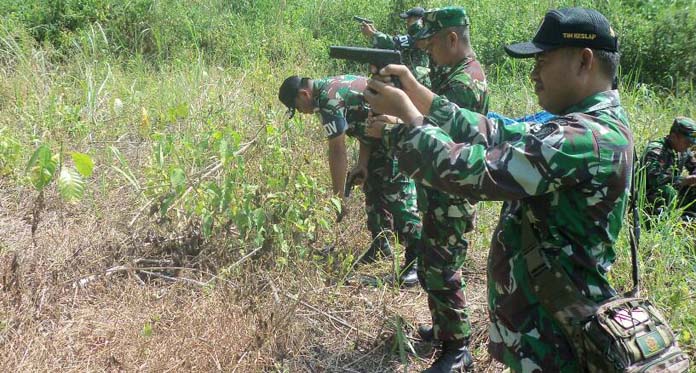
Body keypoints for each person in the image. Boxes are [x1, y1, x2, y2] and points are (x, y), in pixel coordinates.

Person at [364, 7, 630, 372]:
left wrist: (407, 121)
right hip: (547, 327)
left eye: (543, 60)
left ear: (584, 61)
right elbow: (494, 131)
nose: (534, 73)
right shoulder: (587, 125)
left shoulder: (585, 139)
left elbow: (468, 170)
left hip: (559, 338)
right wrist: (412, 87)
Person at [370, 7, 488, 372]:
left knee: (443, 267)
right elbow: (430, 119)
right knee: (431, 264)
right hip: (439, 186)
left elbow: (445, 142)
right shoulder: (451, 73)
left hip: (452, 190)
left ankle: (458, 348)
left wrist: (396, 124)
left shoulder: (464, 83)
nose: (428, 51)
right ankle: (443, 328)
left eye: (433, 44)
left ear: (453, 39)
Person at [277, 75, 422, 286]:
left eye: (297, 107)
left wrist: (339, 199)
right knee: (371, 183)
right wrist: (362, 163)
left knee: (399, 198)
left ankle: (418, 262)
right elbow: (366, 123)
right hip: (380, 136)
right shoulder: (331, 89)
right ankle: (380, 245)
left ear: (303, 94)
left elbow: (337, 150)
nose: (301, 112)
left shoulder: (328, 100)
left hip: (398, 133)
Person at [360, 7, 431, 87]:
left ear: (419, 20)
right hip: (413, 80)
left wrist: (373, 34)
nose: (407, 23)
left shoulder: (420, 35)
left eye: (409, 20)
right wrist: (375, 32)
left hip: (419, 82)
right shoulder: (417, 35)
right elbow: (396, 41)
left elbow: (395, 42)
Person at [642, 117, 696, 218]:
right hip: (649, 196)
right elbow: (654, 180)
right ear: (673, 137)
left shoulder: (683, 150)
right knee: (668, 191)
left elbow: (694, 165)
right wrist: (685, 180)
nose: (690, 145)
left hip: (672, 192)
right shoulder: (656, 150)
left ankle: (688, 222)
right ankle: (656, 225)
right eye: (687, 142)